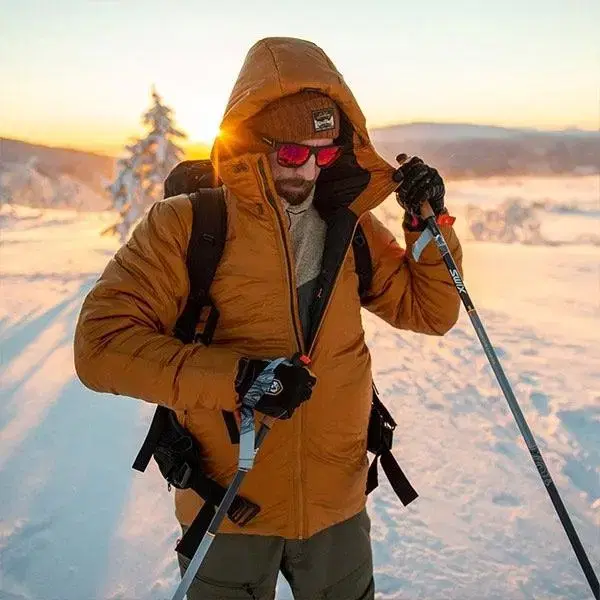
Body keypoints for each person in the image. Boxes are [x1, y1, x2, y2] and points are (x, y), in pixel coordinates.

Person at [74, 37, 463, 600]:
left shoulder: (347, 224)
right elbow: (100, 346)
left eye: (325, 154)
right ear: (254, 145)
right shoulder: (186, 226)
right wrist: (240, 380)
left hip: (337, 503)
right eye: (291, 153)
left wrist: (430, 224)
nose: (309, 170)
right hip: (229, 503)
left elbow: (430, 311)